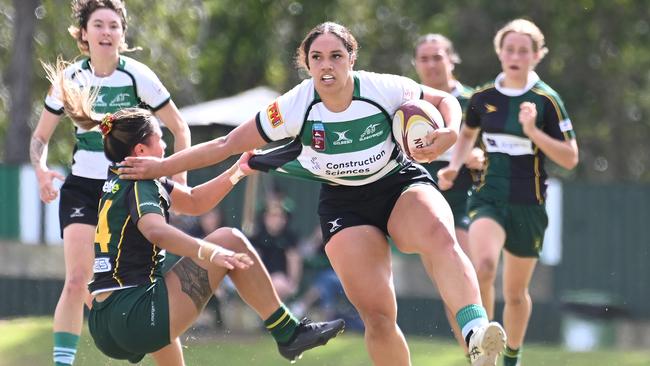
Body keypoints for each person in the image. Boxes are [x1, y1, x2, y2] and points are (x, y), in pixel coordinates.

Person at [118, 22, 507, 366]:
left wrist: (451, 132)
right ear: (306, 63)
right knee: (378, 317)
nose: (327, 65)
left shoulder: (383, 88)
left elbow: (442, 101)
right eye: (317, 57)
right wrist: (159, 168)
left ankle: (474, 334)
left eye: (336, 56)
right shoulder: (294, 105)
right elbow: (226, 145)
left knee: (440, 234)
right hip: (344, 204)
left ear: (351, 59)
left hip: (397, 182)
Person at [43, 59, 345, 365]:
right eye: (159, 136)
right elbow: (155, 231)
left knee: (162, 304)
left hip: (104, 320)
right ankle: (287, 332)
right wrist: (210, 251)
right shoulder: (141, 182)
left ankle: (286, 333)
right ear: (141, 151)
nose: (165, 140)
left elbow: (196, 202)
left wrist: (239, 170)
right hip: (131, 314)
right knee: (229, 238)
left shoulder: (122, 177)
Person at [29, 2, 191, 365]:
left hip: (128, 186)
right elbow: (40, 137)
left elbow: (180, 127)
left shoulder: (137, 76)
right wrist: (40, 169)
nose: (106, 32)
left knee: (143, 283)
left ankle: (147, 342)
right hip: (84, 189)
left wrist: (177, 181)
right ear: (83, 34)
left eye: (113, 26)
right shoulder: (70, 79)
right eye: (98, 25)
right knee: (77, 281)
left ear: (122, 34)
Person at [438, 19, 579, 366]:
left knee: (515, 294)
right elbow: (467, 134)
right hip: (488, 196)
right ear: (500, 52)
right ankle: (482, 349)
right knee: (483, 265)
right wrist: (455, 166)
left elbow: (571, 157)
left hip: (528, 205)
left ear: (536, 56)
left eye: (523, 50)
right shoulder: (484, 97)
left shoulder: (547, 100)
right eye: (509, 49)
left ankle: (511, 358)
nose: (515, 56)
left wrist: (533, 131)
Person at [412, 33, 485, 360]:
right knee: (450, 288)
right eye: (424, 58)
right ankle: (478, 354)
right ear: (415, 63)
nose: (430, 64)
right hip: (422, 197)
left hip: (468, 196)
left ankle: (486, 346)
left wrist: (481, 155)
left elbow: (499, 147)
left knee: (475, 273)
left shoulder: (474, 101)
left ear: (451, 60)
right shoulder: (409, 105)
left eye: (436, 57)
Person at [250, 199, 302, 301]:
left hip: (282, 280)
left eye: (280, 216)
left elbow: (294, 260)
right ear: (265, 218)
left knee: (278, 284)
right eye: (273, 216)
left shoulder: (289, 237)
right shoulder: (257, 237)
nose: (277, 220)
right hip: (262, 278)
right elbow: (254, 261)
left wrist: (293, 283)